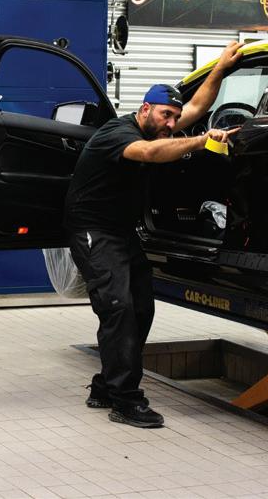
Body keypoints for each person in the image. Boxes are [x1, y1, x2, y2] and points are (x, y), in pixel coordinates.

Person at [64, 42, 242, 428]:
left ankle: (106, 384)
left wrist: (220, 68)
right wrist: (203, 140)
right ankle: (126, 400)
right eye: (165, 115)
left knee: (141, 307)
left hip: (120, 231)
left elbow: (197, 106)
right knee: (119, 308)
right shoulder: (119, 133)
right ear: (145, 109)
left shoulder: (159, 122)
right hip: (93, 231)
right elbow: (150, 153)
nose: (170, 123)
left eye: (174, 118)